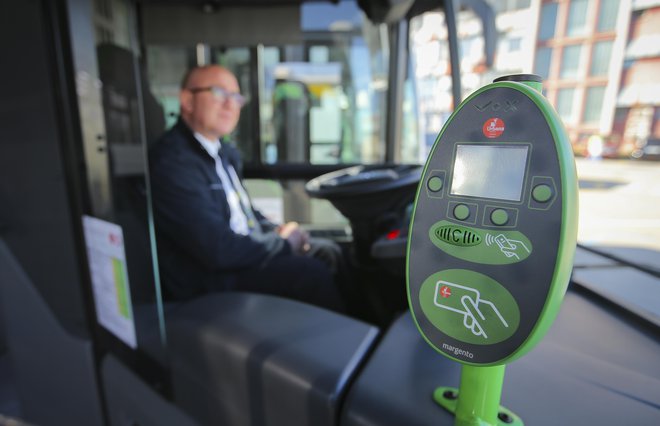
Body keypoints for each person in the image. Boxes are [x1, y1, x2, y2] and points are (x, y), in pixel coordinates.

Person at [149, 65, 347, 312]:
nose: (230, 105)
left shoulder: (222, 152)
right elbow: (216, 249)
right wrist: (283, 244)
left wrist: (277, 230)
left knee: (330, 252)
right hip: (210, 281)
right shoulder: (174, 162)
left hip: (237, 261)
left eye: (236, 97)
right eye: (219, 93)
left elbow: (244, 212)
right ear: (187, 101)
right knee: (310, 273)